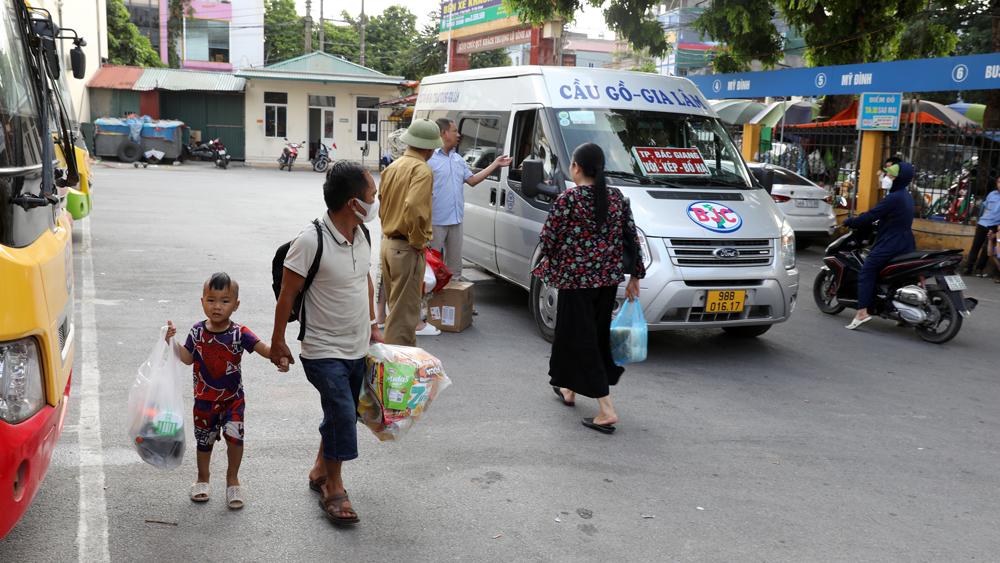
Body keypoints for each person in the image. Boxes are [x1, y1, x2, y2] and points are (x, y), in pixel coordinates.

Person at [270, 161, 382, 526]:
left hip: (357, 346)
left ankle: (320, 468)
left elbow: (363, 280)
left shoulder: (362, 233)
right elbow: (287, 296)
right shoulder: (310, 240)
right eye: (372, 195)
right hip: (321, 349)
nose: (375, 200)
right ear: (353, 202)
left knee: (343, 411)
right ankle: (334, 487)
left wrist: (373, 326)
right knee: (341, 413)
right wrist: (277, 342)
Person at [534, 143, 645, 434]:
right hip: (607, 282)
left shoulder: (568, 199)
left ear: (577, 167)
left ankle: (606, 409)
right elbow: (631, 238)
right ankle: (569, 389)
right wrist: (635, 275)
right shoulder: (617, 197)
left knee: (582, 339)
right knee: (582, 335)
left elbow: (548, 240)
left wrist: (550, 260)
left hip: (576, 281)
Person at [165, 273, 285, 509]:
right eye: (211, 300)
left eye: (224, 301)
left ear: (236, 305)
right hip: (204, 401)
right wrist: (171, 342)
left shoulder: (240, 333)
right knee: (204, 442)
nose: (217, 306)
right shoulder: (198, 332)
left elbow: (264, 349)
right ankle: (202, 478)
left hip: (233, 401)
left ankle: (232, 480)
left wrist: (278, 356)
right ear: (202, 302)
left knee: (235, 439)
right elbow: (188, 358)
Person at [377, 118, 442, 346]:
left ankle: (392, 367)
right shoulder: (422, 170)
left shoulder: (393, 167)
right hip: (406, 247)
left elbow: (382, 202)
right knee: (404, 318)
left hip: (388, 243)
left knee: (395, 309)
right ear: (429, 147)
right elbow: (414, 207)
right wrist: (417, 241)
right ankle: (397, 372)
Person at [428, 118, 512, 279]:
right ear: (444, 134)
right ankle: (431, 301)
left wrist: (495, 164)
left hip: (456, 220)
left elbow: (472, 180)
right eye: (454, 131)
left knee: (454, 269)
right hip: (435, 222)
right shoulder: (430, 160)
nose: (458, 135)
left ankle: (452, 301)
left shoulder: (457, 159)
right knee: (432, 266)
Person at [843, 160, 917, 330]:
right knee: (901, 277)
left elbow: (871, 215)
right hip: (906, 242)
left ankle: (862, 312)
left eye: (890, 175)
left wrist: (851, 221)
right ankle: (904, 316)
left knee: (867, 270)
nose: (886, 177)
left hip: (891, 243)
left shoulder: (893, 198)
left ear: (900, 178)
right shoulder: (906, 196)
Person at [963, 176, 1000, 277]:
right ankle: (968, 268)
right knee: (976, 246)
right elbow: (983, 208)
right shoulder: (992, 194)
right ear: (997, 183)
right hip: (983, 223)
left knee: (987, 249)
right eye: (999, 182)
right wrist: (979, 219)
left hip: (995, 226)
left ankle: (979, 269)